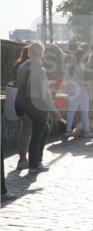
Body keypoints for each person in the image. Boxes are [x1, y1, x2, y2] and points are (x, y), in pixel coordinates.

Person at [15, 42, 64, 172]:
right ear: (40, 54)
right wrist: (54, 111)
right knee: (39, 133)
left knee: (40, 130)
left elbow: (25, 84)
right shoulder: (39, 69)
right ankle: (35, 162)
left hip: (26, 102)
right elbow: (44, 94)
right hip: (38, 104)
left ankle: (33, 161)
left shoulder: (23, 66)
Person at [63, 49, 93, 141]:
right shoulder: (84, 66)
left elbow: (66, 80)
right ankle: (87, 131)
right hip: (82, 90)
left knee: (71, 111)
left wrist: (67, 90)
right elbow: (87, 81)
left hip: (72, 90)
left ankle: (68, 131)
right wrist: (90, 92)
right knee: (84, 111)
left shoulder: (68, 67)